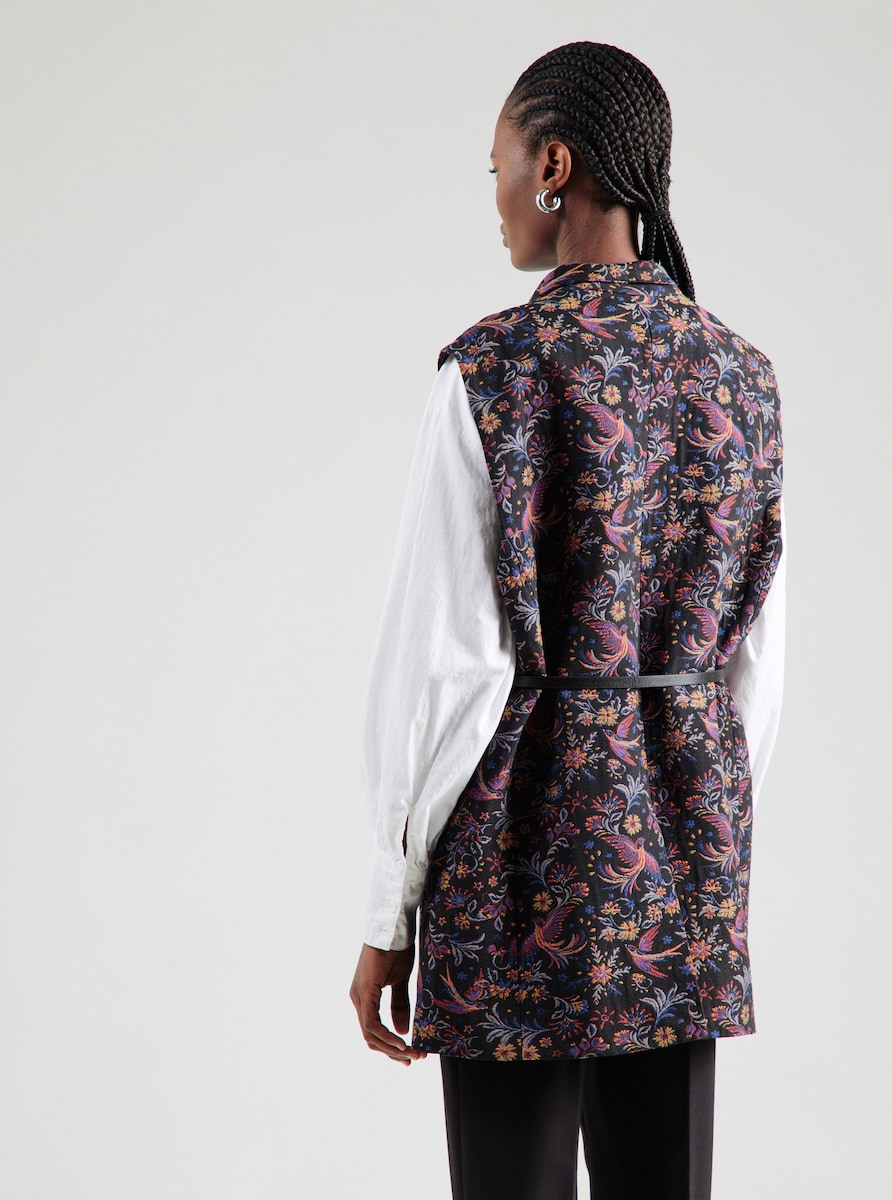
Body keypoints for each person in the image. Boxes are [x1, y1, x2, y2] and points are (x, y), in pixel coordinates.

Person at [350, 40, 785, 1200]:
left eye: (496, 164)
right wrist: (699, 832)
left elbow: (445, 666)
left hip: (513, 861)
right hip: (683, 859)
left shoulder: (490, 370)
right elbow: (754, 675)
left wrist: (389, 905)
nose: (493, 194)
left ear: (552, 165)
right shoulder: (744, 378)